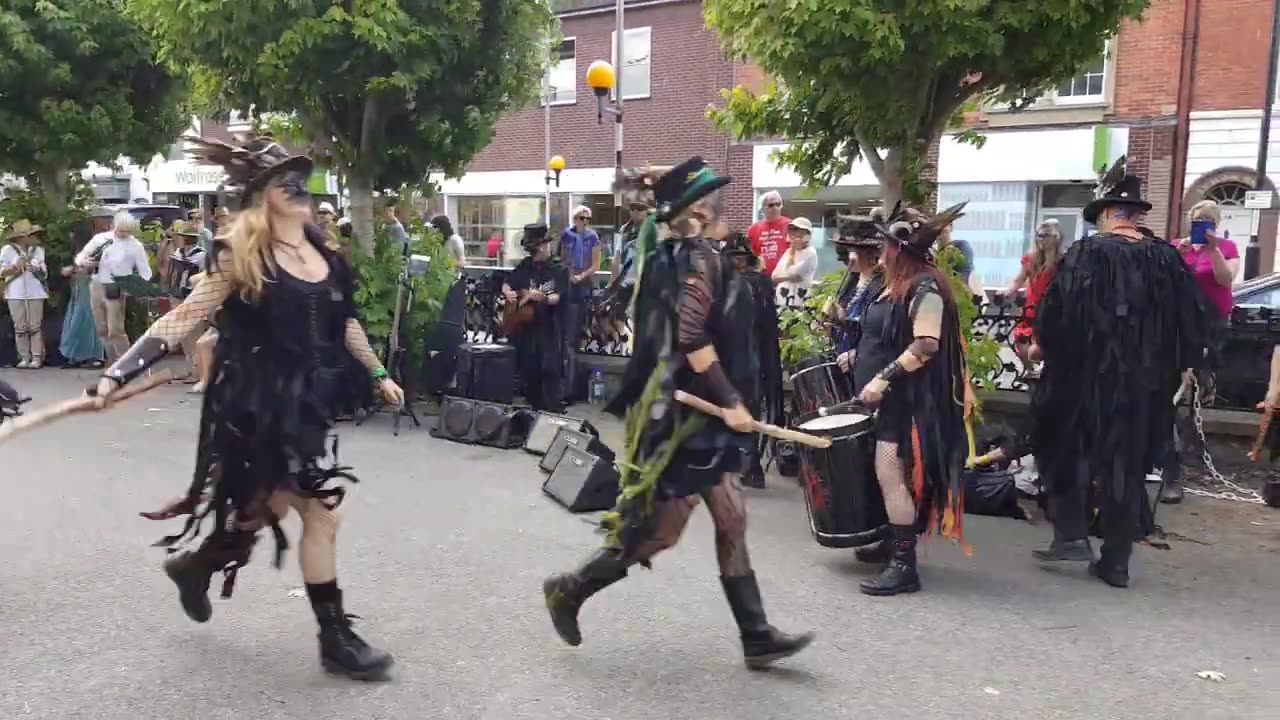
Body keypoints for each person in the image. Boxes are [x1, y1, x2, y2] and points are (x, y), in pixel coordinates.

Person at [102, 135, 405, 679]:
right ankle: (335, 639)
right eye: (283, 180)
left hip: (305, 406)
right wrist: (118, 370)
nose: (298, 188)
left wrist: (378, 371)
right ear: (261, 195)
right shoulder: (239, 255)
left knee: (265, 509)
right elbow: (182, 319)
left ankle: (195, 566)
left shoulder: (325, 257)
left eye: (302, 179)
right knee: (322, 513)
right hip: (254, 407)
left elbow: (346, 322)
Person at [542, 158, 814, 669]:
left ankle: (755, 634)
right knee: (659, 534)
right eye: (708, 197)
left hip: (708, 417)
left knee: (732, 517)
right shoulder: (690, 262)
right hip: (688, 421)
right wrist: (731, 402)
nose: (718, 204)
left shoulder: (705, 256)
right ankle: (570, 590)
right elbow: (690, 338)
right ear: (693, 210)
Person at [1030, 158, 1207, 588]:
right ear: (1137, 215)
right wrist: (1182, 368)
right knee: (1125, 463)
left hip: (1086, 379)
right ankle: (1116, 559)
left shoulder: (1088, 253)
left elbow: (1057, 314)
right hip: (1146, 384)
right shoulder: (1167, 259)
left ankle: (1072, 535)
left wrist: (1042, 346)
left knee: (1064, 446)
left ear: (1108, 213)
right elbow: (1192, 321)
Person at [847, 204, 971, 596]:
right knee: (886, 475)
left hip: (908, 401)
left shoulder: (925, 287)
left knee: (890, 473)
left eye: (885, 242)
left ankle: (904, 564)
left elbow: (926, 344)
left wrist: (882, 379)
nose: (879, 248)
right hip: (888, 400)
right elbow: (886, 334)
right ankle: (891, 540)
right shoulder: (894, 283)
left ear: (898, 248)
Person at [723, 232, 784, 489]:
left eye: (740, 257)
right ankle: (748, 464)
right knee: (749, 406)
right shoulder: (761, 283)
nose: (737, 262)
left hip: (744, 355)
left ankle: (746, 464)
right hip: (754, 355)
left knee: (740, 406)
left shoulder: (729, 285)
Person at [502, 224, 568, 412]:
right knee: (528, 373)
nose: (533, 253)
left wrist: (544, 298)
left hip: (548, 328)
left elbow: (559, 297)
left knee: (549, 372)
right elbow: (508, 282)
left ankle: (551, 412)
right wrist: (508, 293)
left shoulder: (558, 270)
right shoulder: (525, 265)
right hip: (524, 329)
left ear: (546, 245)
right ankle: (532, 411)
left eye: (535, 249)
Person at [75, 211, 152, 363]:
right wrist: (84, 263)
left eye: (127, 232)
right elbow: (81, 257)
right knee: (101, 328)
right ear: (114, 227)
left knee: (116, 329)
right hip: (97, 283)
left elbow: (145, 270)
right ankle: (111, 360)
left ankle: (127, 361)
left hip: (118, 285)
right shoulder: (101, 239)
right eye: (121, 231)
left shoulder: (135, 245)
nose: (123, 234)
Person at [831, 215, 885, 391]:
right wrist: (836, 321)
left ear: (868, 254)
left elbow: (879, 330)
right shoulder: (852, 280)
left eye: (852, 251)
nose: (848, 257)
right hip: (846, 364)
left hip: (869, 366)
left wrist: (856, 353)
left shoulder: (883, 284)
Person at [1006, 220, 1064, 366]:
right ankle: (1031, 371)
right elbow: (1019, 280)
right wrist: (1008, 291)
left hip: (1052, 308)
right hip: (1031, 307)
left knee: (1043, 346)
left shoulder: (1062, 261)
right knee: (1021, 341)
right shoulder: (1031, 259)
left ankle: (1044, 373)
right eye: (1038, 235)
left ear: (1056, 237)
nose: (1040, 239)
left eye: (1045, 235)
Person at [559, 205, 601, 400]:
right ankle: (566, 384)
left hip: (583, 286)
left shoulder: (593, 237)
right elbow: (562, 259)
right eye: (582, 218)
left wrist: (581, 276)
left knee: (576, 333)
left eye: (588, 218)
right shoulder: (566, 235)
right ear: (575, 218)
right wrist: (569, 275)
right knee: (567, 333)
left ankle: (571, 386)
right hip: (568, 286)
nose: (585, 222)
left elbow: (596, 264)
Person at [59, 209, 110, 368]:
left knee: (91, 318)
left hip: (96, 280)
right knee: (77, 316)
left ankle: (95, 356)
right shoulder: (85, 241)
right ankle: (76, 355)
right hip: (80, 281)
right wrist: (72, 269)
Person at [1, 219, 49, 369]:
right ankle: (24, 357)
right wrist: (15, 267)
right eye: (31, 234)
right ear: (22, 237)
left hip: (35, 291)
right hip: (15, 292)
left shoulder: (38, 251)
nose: (35, 237)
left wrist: (36, 267)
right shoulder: (7, 250)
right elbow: (1, 271)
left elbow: (44, 272)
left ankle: (36, 357)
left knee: (35, 325)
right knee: (20, 326)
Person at [771, 217, 819, 309]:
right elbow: (774, 276)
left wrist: (783, 276)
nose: (793, 235)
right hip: (781, 300)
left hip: (799, 301)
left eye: (798, 231)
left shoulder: (810, 252)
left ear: (807, 234)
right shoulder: (789, 252)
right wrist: (787, 277)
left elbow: (795, 274)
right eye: (792, 231)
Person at [748, 190, 790, 276]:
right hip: (762, 279)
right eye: (771, 205)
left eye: (778, 204)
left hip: (784, 278)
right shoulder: (754, 229)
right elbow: (751, 255)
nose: (775, 208)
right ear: (763, 208)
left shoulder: (790, 225)